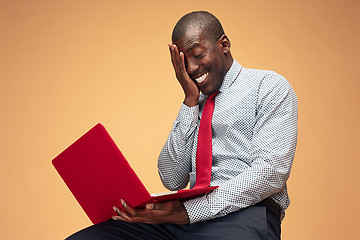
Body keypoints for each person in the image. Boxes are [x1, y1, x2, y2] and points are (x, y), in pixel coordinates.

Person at [67, 11, 297, 240]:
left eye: (197, 55)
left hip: (245, 213)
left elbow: (271, 172)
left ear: (224, 44)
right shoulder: (195, 102)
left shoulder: (268, 87)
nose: (192, 68)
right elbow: (172, 178)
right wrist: (189, 102)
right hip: (184, 218)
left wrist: (190, 211)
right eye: (183, 61)